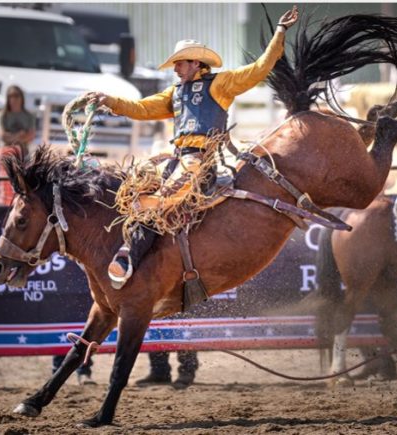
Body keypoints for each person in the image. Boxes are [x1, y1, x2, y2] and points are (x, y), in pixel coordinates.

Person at [77, 6, 300, 289]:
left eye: (180, 63)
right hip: (176, 159)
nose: (176, 68)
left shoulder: (221, 84)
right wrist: (109, 100)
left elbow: (259, 69)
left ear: (196, 63)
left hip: (199, 162)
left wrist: (279, 32)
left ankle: (129, 256)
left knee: (160, 198)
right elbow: (141, 108)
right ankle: (137, 250)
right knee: (133, 188)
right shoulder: (175, 93)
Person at [0, 85, 36, 159]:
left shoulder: (29, 116)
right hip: (5, 153)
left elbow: (31, 136)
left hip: (24, 154)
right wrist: (19, 135)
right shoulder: (2, 115)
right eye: (11, 96)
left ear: (22, 98)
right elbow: (2, 136)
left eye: (16, 95)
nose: (13, 99)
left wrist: (11, 137)